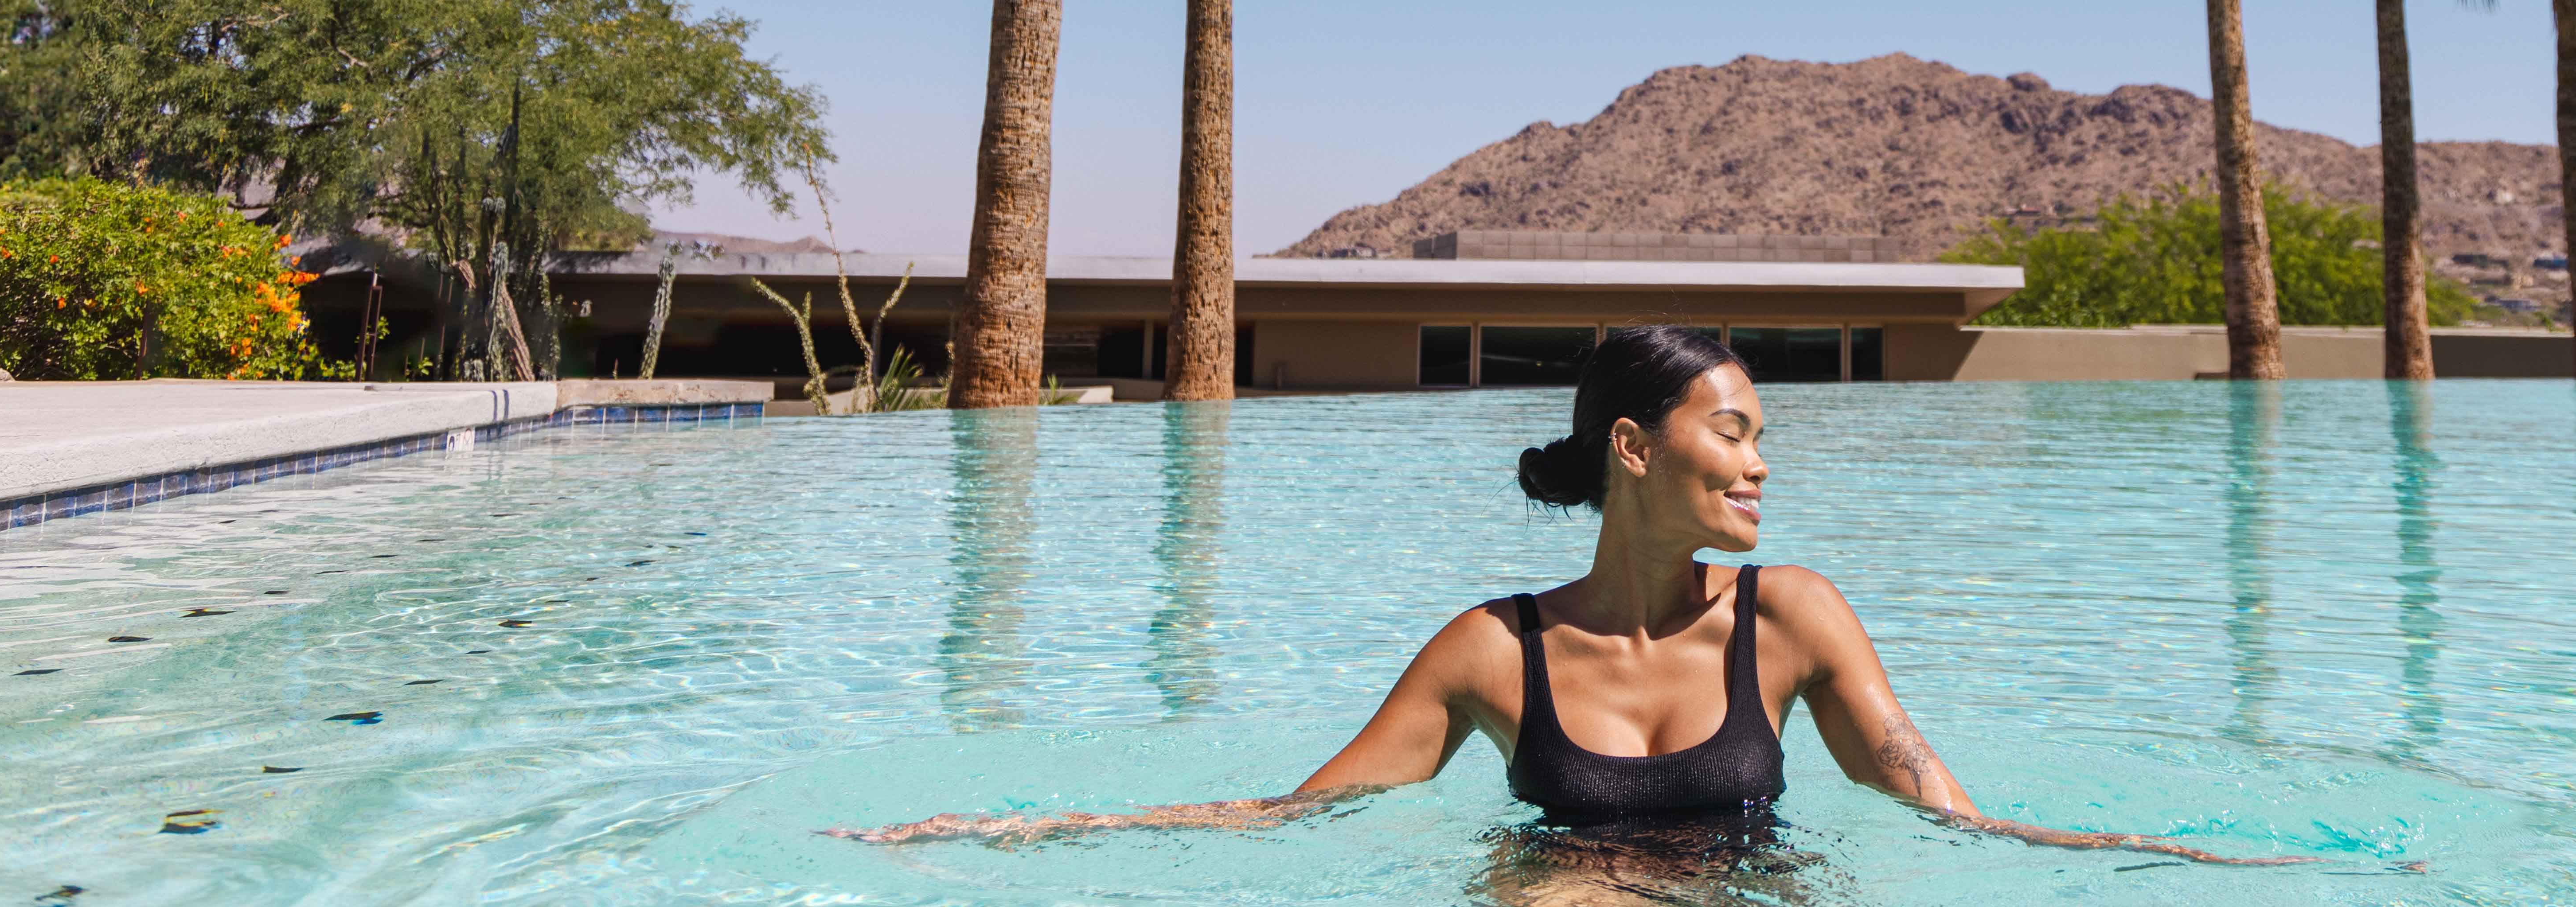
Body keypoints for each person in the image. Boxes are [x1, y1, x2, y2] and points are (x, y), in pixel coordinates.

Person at [844, 325, 2286, 864]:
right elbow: (1299, 814)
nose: (1761, 463)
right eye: (1737, 431)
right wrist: (1029, 830)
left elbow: (1945, 814)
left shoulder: (1792, 621)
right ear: (1636, 449)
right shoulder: (1491, 652)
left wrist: (2174, 860)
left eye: (1764, 438)